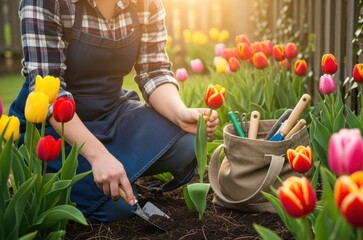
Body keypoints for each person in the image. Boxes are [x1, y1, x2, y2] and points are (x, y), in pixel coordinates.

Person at [9, 0, 219, 222]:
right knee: (116, 207)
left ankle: (111, 170)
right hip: (55, 126)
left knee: (187, 142)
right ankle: (76, 174)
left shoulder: (145, 4)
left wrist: (179, 113)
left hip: (111, 112)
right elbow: (52, 96)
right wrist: (97, 155)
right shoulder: (46, 3)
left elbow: (154, 72)